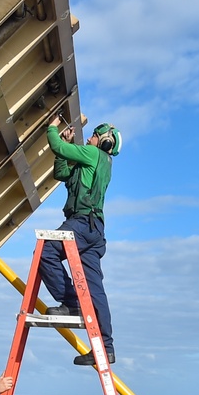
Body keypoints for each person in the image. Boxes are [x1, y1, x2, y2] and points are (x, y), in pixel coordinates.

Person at [40, 115, 121, 366]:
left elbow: (58, 147)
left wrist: (52, 128)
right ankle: (105, 349)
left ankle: (71, 302)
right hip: (95, 231)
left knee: (46, 251)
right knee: (95, 288)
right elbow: (61, 172)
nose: (89, 138)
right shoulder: (94, 160)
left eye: (94, 135)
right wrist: (67, 147)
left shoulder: (92, 154)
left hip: (82, 223)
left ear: (105, 142)